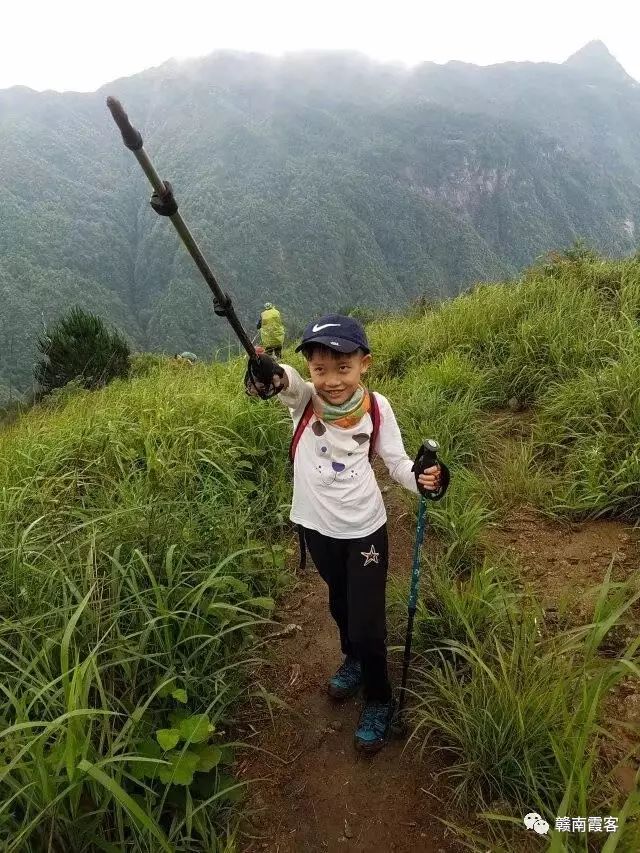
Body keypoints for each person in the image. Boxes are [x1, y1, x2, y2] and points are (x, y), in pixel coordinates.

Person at [245, 313, 449, 754]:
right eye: (321, 370)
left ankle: (379, 697)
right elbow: (286, 381)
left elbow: (395, 462)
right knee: (338, 599)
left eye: (343, 368)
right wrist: (269, 372)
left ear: (364, 364)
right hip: (316, 526)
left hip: (364, 528)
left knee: (369, 620)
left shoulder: (377, 406)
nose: (332, 380)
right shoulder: (304, 400)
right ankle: (352, 659)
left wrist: (423, 480)